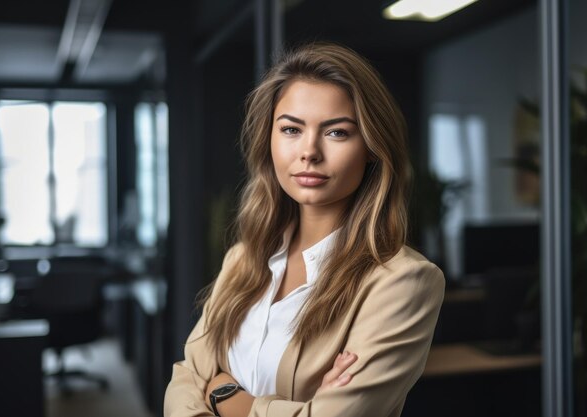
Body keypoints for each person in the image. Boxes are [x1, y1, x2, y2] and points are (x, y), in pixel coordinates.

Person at [164, 42, 445, 417]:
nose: (309, 151)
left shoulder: (403, 283)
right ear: (270, 140)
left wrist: (221, 393)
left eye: (337, 133)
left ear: (372, 149)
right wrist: (295, 409)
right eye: (291, 129)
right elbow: (184, 379)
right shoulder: (244, 259)